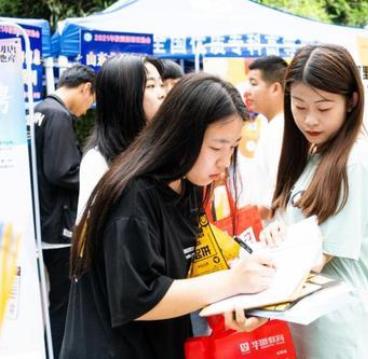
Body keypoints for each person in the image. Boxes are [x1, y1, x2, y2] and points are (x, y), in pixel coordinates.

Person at [60, 73, 275, 359]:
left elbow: (185, 275)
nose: (224, 161)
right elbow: (140, 298)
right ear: (181, 133)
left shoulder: (188, 184)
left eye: (232, 146)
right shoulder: (133, 196)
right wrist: (232, 282)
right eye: (216, 147)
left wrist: (237, 301)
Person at [262, 44, 368, 358]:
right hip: (309, 328)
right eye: (299, 106)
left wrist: (248, 300)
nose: (310, 120)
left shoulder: (355, 162)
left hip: (344, 335)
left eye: (323, 108)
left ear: (352, 101)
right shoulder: (314, 155)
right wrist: (273, 233)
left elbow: (314, 257)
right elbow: (292, 232)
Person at [33, 64, 96, 357]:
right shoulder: (58, 115)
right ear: (85, 88)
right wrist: (94, 176)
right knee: (63, 304)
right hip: (59, 226)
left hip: (45, 220)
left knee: (57, 301)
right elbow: (61, 171)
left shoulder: (41, 108)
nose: (88, 107)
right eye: (91, 100)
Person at [76, 55, 165, 222]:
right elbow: (88, 230)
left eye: (162, 84)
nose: (162, 93)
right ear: (124, 96)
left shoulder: (160, 148)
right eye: (151, 86)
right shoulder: (97, 161)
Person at [243, 55, 287, 217]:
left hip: (272, 228)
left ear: (275, 88)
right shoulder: (271, 125)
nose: (247, 91)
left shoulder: (280, 129)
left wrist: (248, 219)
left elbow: (279, 189)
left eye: (254, 83)